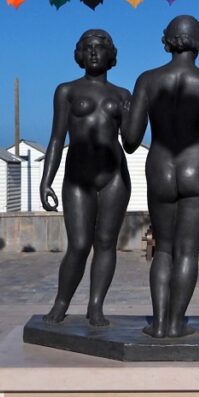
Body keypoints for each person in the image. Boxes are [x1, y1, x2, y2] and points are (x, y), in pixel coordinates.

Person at [122, 15, 199, 338]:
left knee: (164, 249)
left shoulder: (147, 81)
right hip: (197, 167)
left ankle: (158, 324)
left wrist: (127, 112)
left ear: (166, 41)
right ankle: (175, 323)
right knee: (187, 250)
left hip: (160, 168)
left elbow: (129, 141)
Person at [40, 29, 132, 327]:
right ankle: (61, 302)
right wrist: (46, 180)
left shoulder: (122, 95)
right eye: (88, 47)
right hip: (78, 176)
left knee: (105, 243)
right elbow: (56, 139)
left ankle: (96, 306)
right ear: (80, 54)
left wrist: (132, 115)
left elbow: (130, 142)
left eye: (100, 47)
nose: (94, 52)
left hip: (114, 176)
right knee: (79, 245)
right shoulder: (66, 91)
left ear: (110, 54)